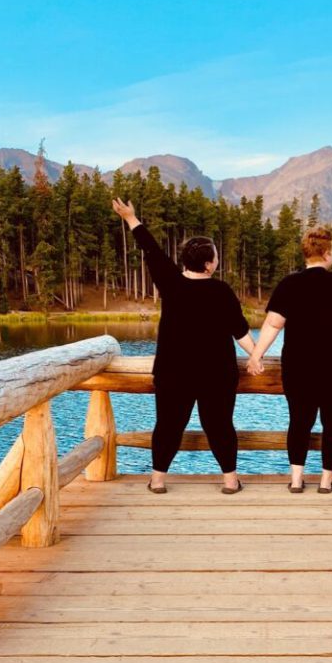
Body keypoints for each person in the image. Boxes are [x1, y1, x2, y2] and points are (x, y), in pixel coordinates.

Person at [113, 198, 256, 494]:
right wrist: (255, 356)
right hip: (216, 374)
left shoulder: (171, 283)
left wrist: (131, 218)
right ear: (208, 264)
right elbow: (239, 330)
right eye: (215, 256)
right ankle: (230, 482)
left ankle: (157, 481)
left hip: (173, 372)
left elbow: (151, 250)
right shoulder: (221, 291)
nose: (217, 260)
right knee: (219, 426)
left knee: (167, 426)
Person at [247, 225, 332, 493]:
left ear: (306, 255)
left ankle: (297, 481)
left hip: (299, 364)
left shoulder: (289, 284)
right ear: (328, 253)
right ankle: (325, 482)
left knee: (299, 421)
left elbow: (273, 324)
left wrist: (255, 355)